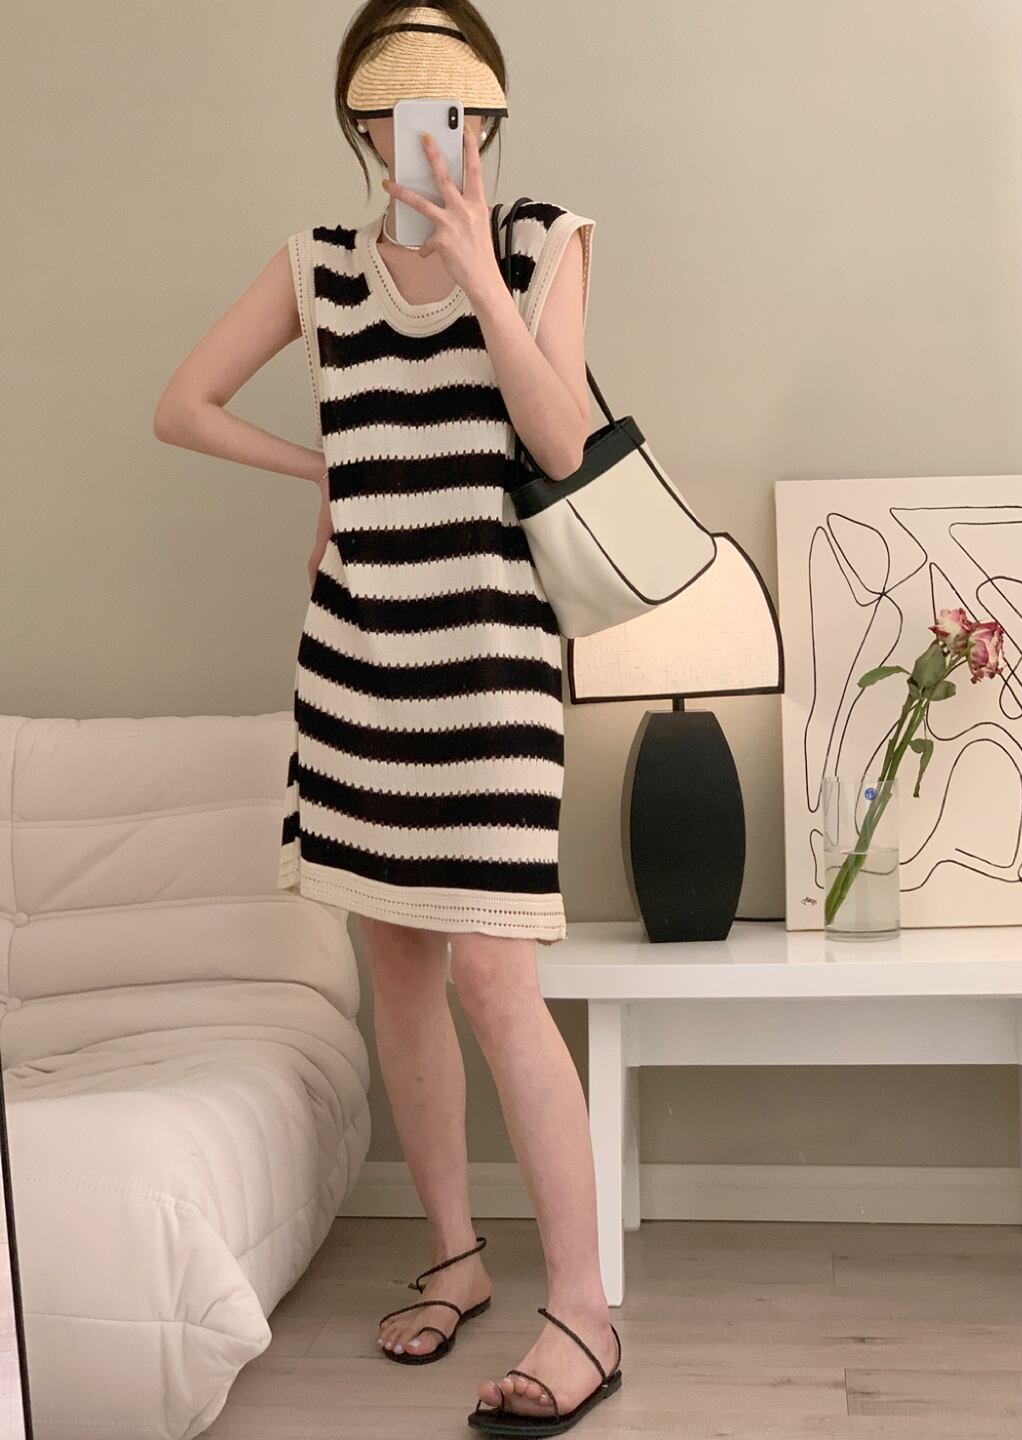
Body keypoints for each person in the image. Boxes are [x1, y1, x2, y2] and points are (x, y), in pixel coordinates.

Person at [153, 4, 621, 1433]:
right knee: (401, 972)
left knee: (497, 982)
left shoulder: (543, 242)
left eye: (458, 109)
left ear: (489, 117)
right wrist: (327, 473)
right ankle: (455, 1258)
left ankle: (586, 1313)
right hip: (359, 668)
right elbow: (182, 406)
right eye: (403, 110)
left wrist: (478, 272)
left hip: (494, 666)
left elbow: (562, 440)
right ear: (362, 124)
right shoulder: (318, 264)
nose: (434, 134)